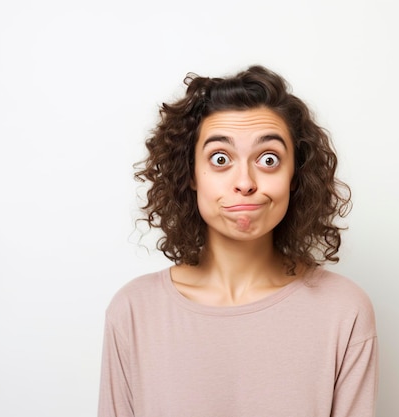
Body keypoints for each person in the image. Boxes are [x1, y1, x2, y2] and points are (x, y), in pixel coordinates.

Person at [98, 65, 378, 417]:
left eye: (269, 159)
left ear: (295, 175)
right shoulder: (133, 311)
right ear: (191, 175)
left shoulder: (344, 310)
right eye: (220, 159)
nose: (244, 182)